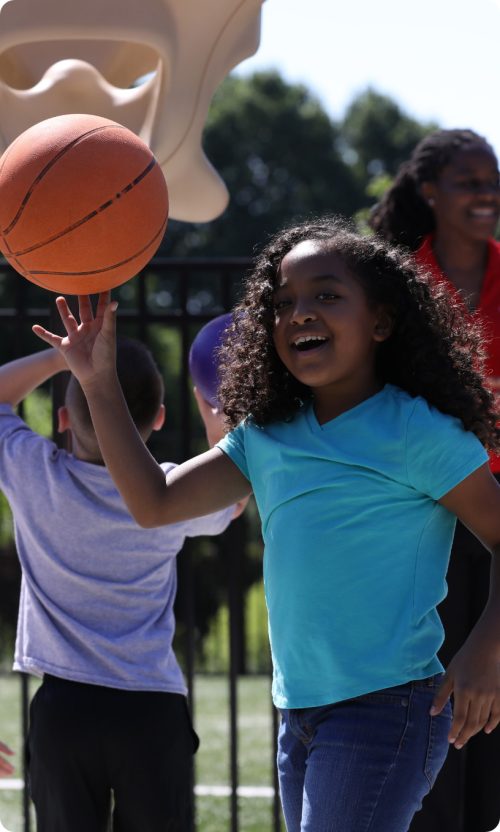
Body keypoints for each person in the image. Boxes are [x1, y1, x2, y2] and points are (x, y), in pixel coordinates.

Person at [33, 216, 500, 832]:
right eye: (283, 303)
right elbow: (153, 502)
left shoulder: (417, 432)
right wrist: (97, 381)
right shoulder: (267, 435)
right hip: (297, 713)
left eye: (326, 295)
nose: (300, 312)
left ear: (381, 321)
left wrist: (485, 654)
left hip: (388, 708)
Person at [0, 335, 243, 832]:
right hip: (150, 709)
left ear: (64, 420)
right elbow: (235, 488)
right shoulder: (172, 492)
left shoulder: (33, 473)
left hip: (64, 709)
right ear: (158, 419)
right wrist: (214, 410)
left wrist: (68, 356)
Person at [370, 128, 500, 832]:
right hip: (428, 519)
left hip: (499, 519)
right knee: (437, 701)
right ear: (429, 192)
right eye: (468, 181)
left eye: (492, 180)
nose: (486, 193)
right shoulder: (399, 289)